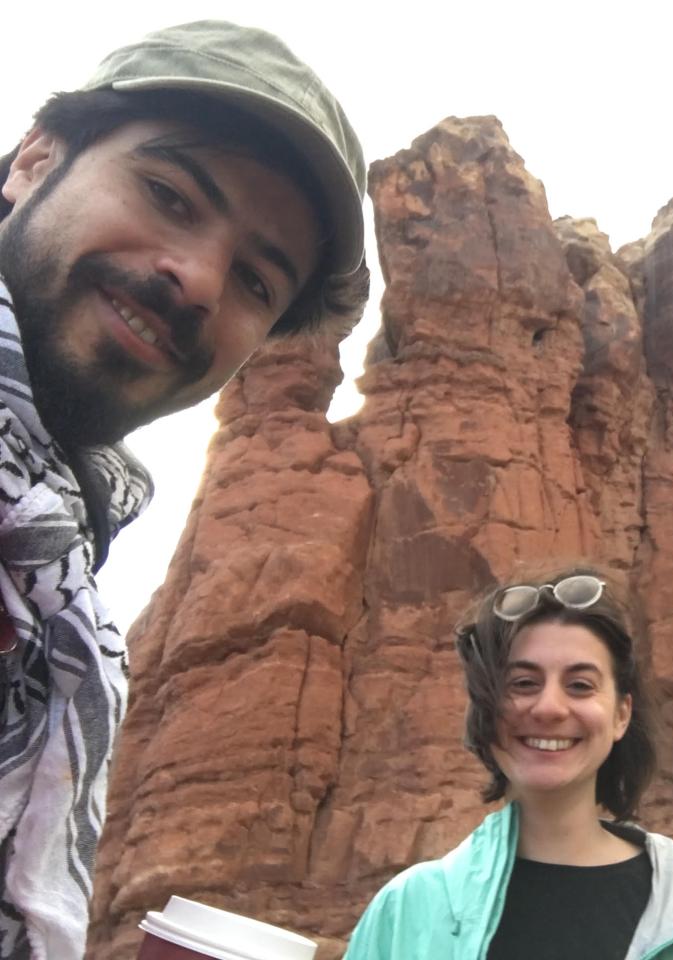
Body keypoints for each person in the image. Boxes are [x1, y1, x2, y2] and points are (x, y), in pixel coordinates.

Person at [0, 21, 368, 957]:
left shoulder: (64, 558)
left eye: (255, 279)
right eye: (168, 194)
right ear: (36, 158)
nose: (198, 280)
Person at [345, 569, 673, 959]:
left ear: (622, 715)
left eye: (580, 685)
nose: (549, 707)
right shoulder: (409, 911)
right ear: (488, 709)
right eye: (523, 683)